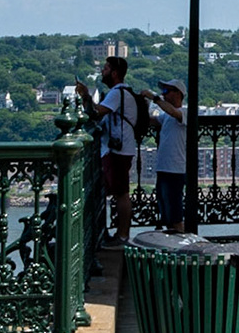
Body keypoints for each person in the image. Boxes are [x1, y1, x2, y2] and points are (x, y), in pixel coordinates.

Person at [74, 56, 137, 246]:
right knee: (119, 192)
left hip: (118, 150)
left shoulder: (117, 93)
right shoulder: (124, 93)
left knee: (121, 193)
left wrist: (85, 95)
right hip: (122, 148)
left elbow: (95, 113)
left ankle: (122, 235)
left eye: (106, 68)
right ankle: (120, 234)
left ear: (114, 73)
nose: (103, 71)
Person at [140, 78, 188, 232]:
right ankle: (176, 240)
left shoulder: (184, 112)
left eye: (167, 91)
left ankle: (181, 243)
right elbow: (151, 120)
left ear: (178, 94)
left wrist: (154, 98)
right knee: (167, 211)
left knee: (175, 213)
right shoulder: (167, 116)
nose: (164, 94)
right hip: (165, 168)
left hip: (175, 169)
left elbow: (173, 112)